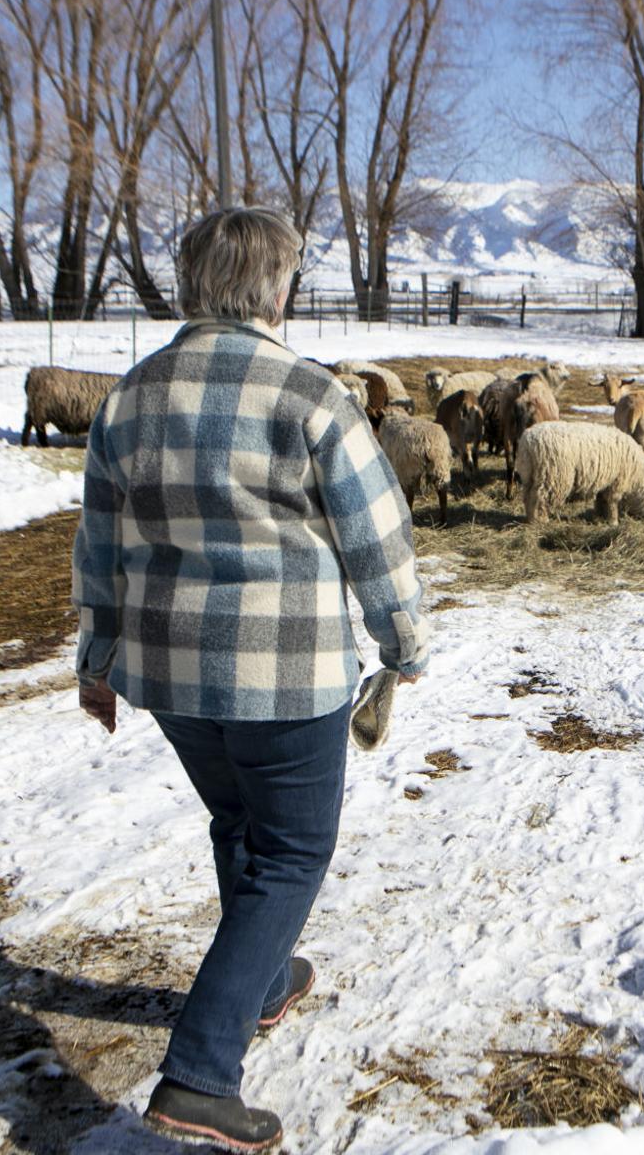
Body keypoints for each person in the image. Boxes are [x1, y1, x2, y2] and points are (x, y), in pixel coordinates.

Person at [71, 207, 429, 1153]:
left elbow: (99, 547)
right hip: (288, 675)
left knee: (239, 824)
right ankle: (198, 1074)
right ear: (279, 288)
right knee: (291, 854)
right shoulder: (310, 397)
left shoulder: (129, 399)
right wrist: (403, 643)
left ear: (192, 286)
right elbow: (374, 538)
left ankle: (264, 980)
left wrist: (95, 659)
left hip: (172, 676)